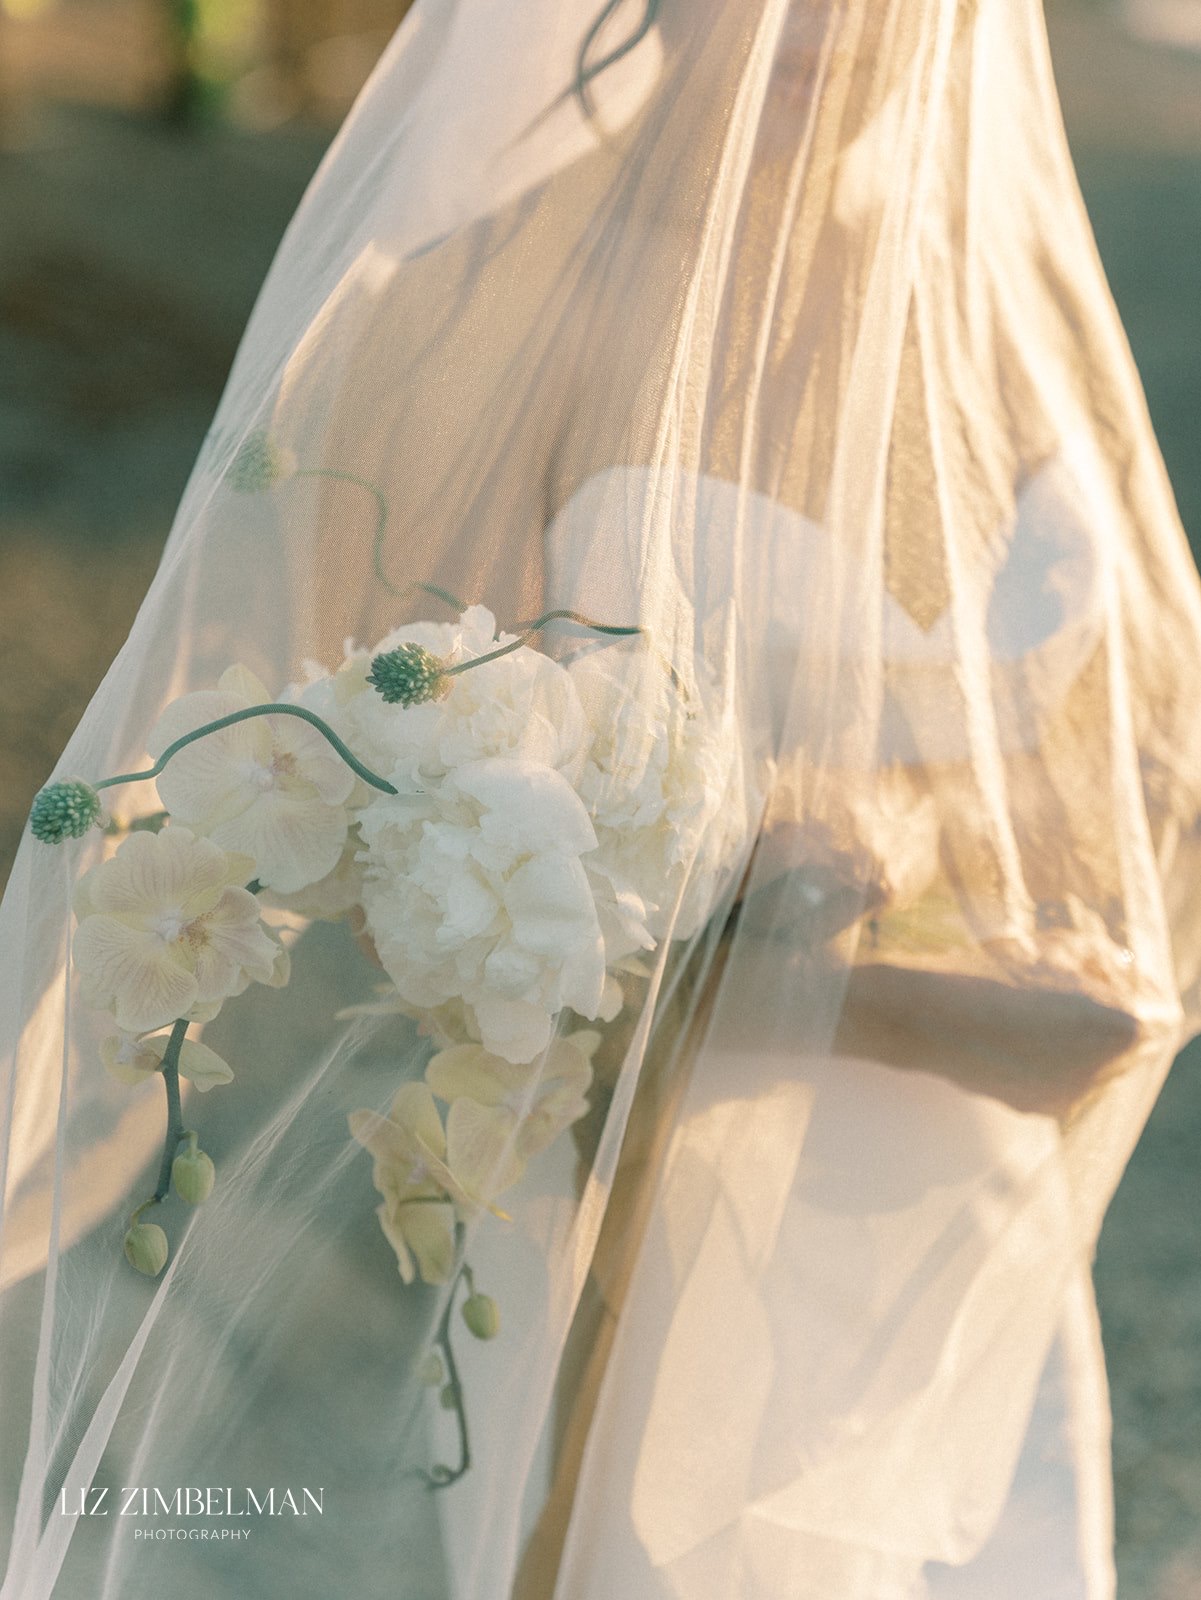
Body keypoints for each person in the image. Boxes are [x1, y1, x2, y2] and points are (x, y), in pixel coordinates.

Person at [3, 2, 1201, 1596]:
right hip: (656, 1204)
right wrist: (879, 1014)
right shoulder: (491, 297)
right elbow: (413, 853)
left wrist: (906, 845)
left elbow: (1096, 788)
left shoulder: (997, 328)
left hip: (954, 1240)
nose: (811, 38)